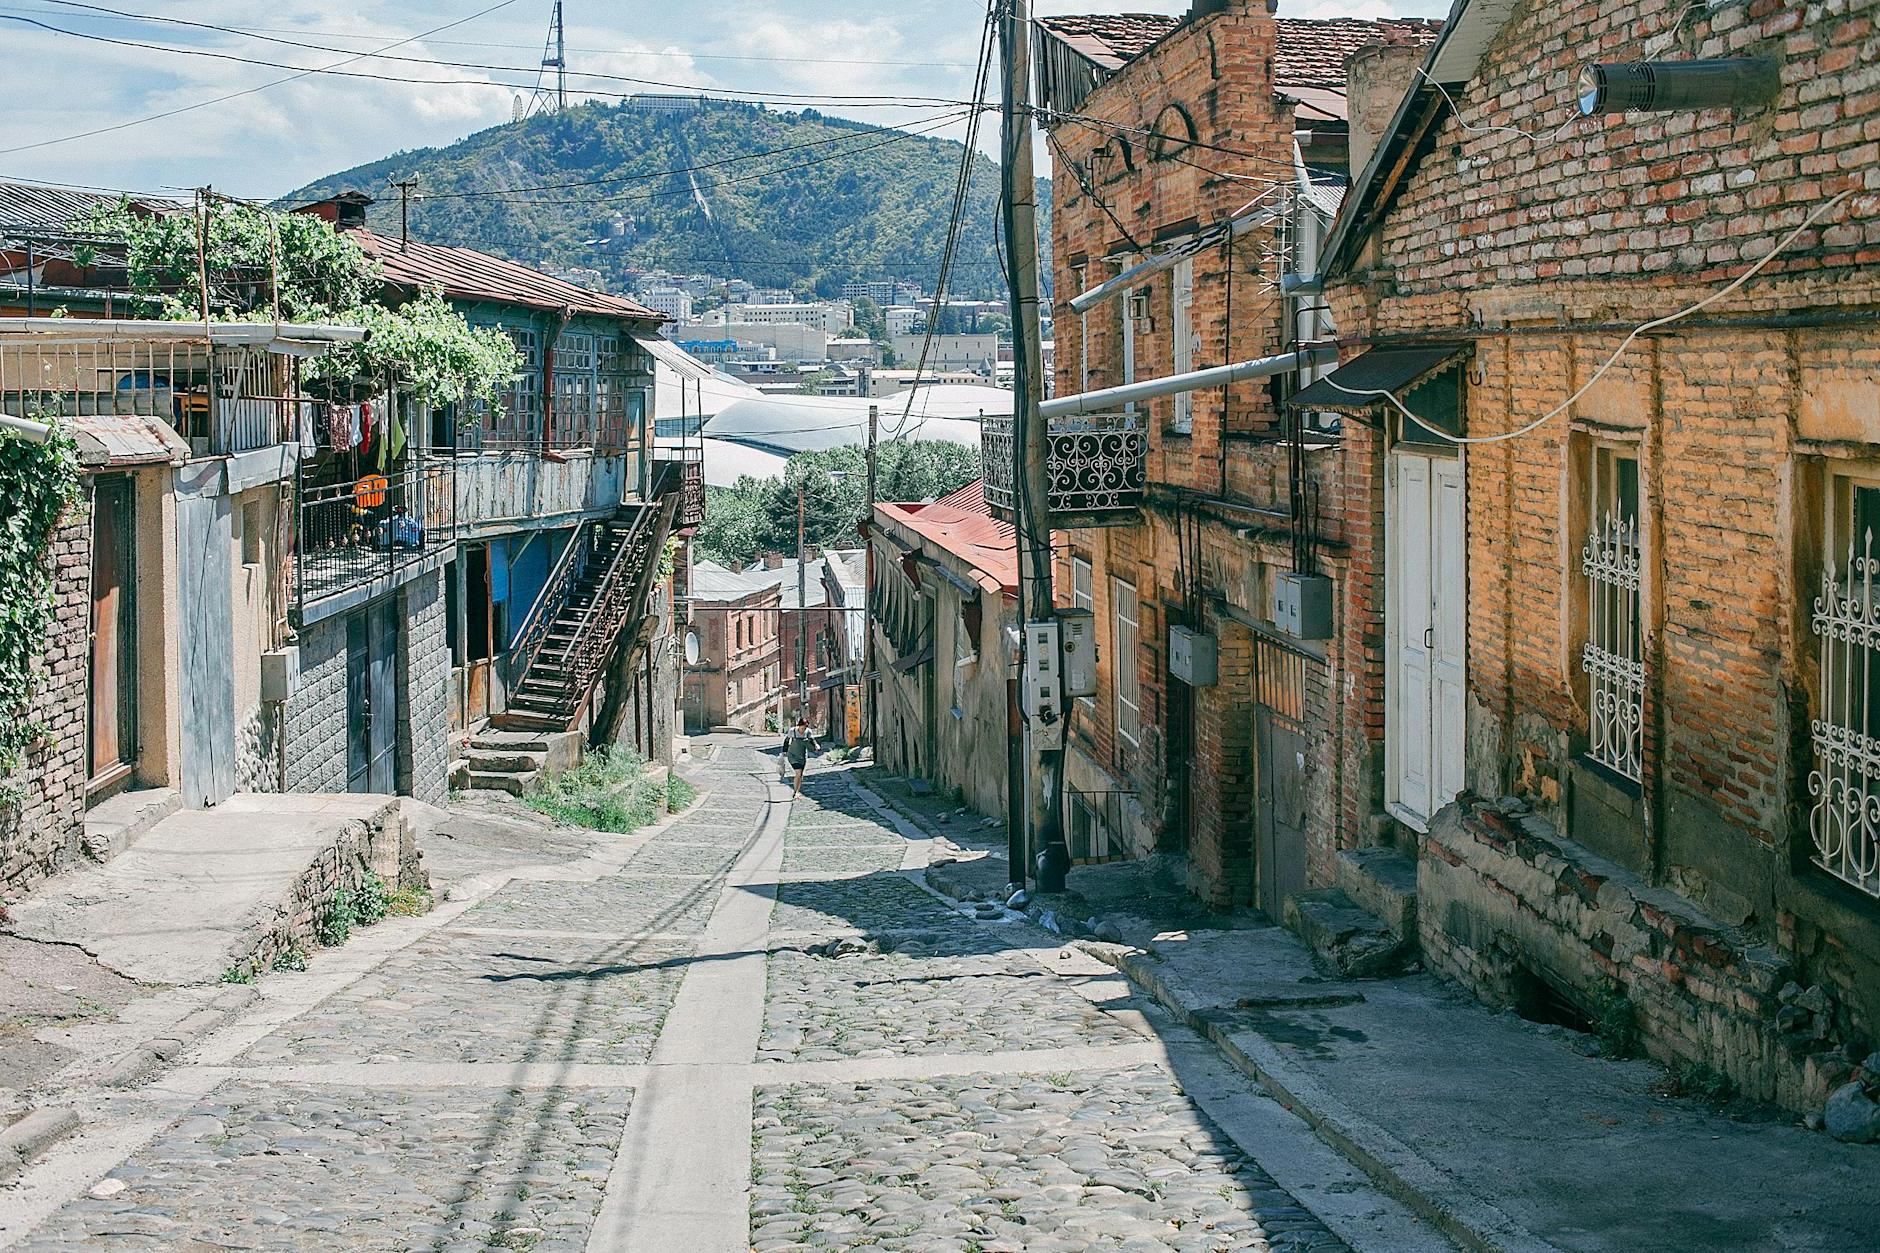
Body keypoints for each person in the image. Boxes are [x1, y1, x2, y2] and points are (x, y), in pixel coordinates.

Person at [782, 715, 817, 796]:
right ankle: (795, 791)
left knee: (800, 775)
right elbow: (786, 740)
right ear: (799, 726)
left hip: (802, 755)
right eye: (802, 728)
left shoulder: (808, 732)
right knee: (798, 772)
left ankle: (797, 791)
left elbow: (812, 740)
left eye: (804, 728)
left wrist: (816, 745)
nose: (803, 730)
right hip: (792, 755)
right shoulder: (792, 731)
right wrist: (784, 751)